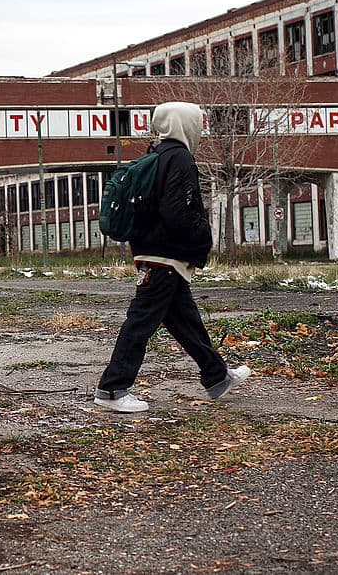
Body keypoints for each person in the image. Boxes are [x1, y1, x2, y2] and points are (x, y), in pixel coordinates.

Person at [94, 101, 250, 413]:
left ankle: (217, 376)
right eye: (197, 124)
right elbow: (180, 212)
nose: (200, 131)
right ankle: (112, 389)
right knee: (140, 322)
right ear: (185, 125)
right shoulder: (179, 158)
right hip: (164, 257)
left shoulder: (156, 155)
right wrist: (203, 238)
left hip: (155, 254)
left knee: (185, 321)